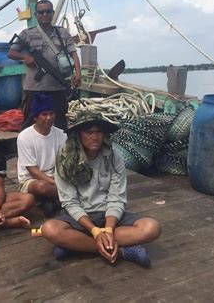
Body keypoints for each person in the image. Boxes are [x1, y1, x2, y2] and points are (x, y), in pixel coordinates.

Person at [41, 111, 161, 267]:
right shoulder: (65, 160)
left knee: (151, 228)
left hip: (109, 216)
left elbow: (117, 198)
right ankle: (121, 250)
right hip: (80, 218)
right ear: (78, 135)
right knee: (50, 229)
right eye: (88, 132)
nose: (95, 137)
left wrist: (109, 230)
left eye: (99, 132)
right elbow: (70, 202)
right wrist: (95, 232)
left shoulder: (113, 156)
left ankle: (77, 245)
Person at [8, 0, 82, 131]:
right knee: (30, 124)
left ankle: (62, 150)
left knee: (60, 125)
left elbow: (73, 53)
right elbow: (12, 52)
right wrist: (25, 57)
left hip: (57, 87)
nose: (44, 14)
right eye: (41, 12)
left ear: (53, 13)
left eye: (48, 11)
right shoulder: (27, 33)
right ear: (36, 15)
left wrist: (78, 73)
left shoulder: (62, 33)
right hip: (34, 89)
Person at [17, 93, 67, 215]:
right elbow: (33, 170)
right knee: (42, 187)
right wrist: (56, 183)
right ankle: (66, 200)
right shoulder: (24, 137)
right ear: (35, 117)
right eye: (44, 114)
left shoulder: (62, 135)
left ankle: (53, 201)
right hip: (31, 180)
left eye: (51, 113)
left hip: (56, 177)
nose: (49, 118)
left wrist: (60, 179)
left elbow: (64, 163)